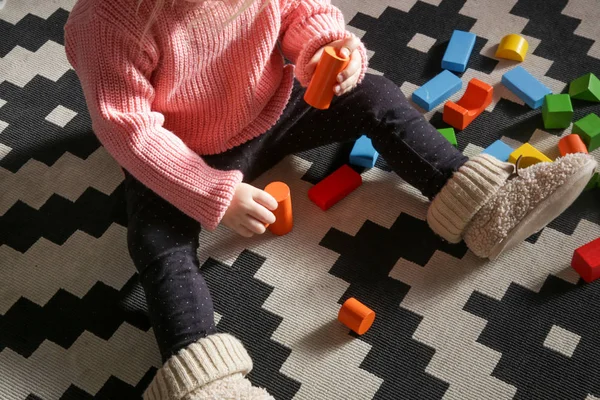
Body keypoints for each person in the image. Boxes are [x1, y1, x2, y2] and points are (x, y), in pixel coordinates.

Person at [63, 0, 596, 398]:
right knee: (156, 242)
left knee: (379, 95)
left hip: (277, 103)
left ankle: (482, 205)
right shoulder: (107, 24)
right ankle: (202, 374)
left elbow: (303, 12)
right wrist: (212, 194)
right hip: (184, 147)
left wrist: (326, 54)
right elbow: (129, 130)